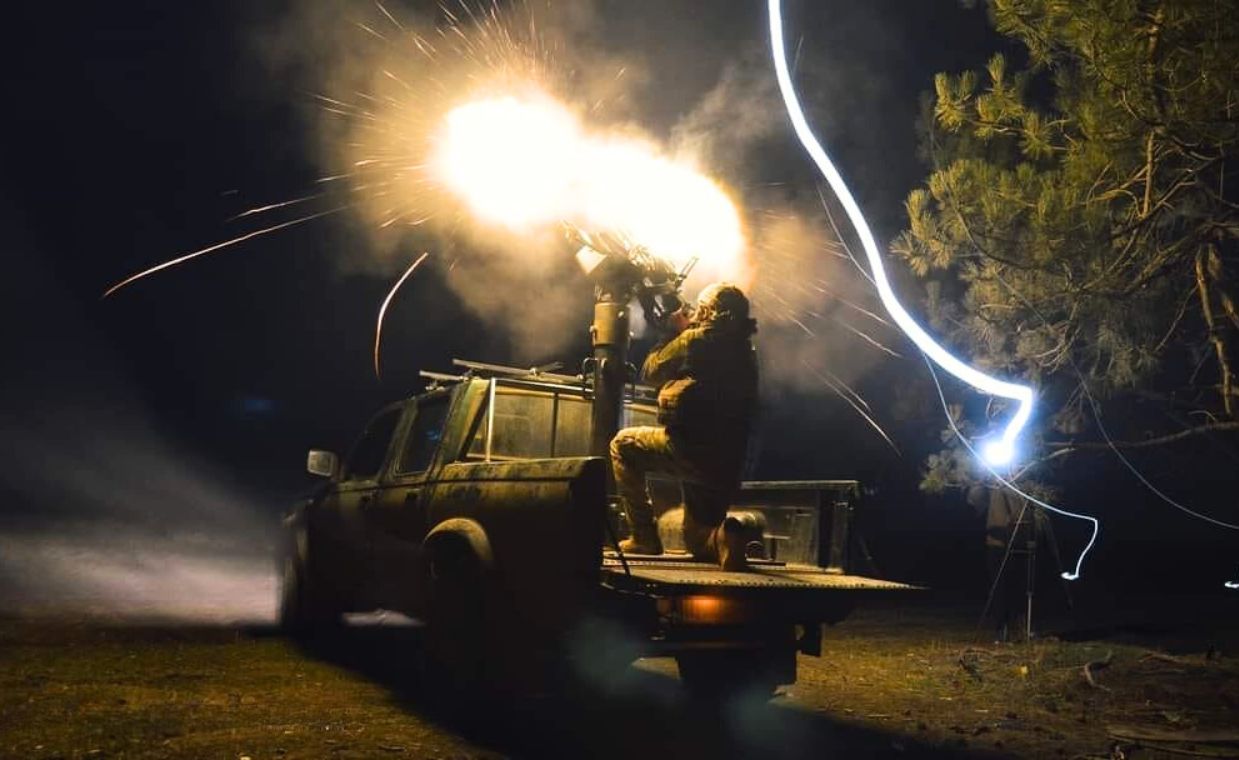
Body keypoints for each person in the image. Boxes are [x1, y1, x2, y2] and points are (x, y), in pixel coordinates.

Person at [610, 282, 759, 570]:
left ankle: (643, 536)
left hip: (690, 452)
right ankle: (723, 538)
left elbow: (650, 372)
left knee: (623, 445)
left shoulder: (695, 340)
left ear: (707, 311)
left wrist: (670, 331)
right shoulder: (746, 350)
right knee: (697, 540)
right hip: (727, 464)